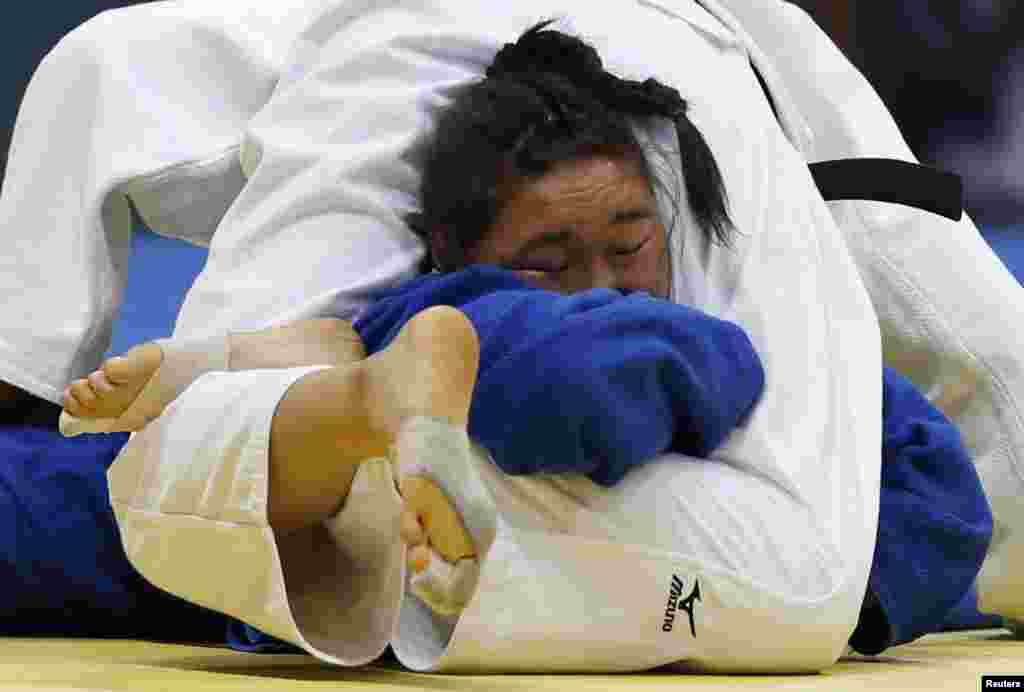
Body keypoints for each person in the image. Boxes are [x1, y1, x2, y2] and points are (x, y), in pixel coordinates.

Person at [62, 21, 990, 666]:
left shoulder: (760, 339)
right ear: (450, 254)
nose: (596, 284)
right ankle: (355, 390)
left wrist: (206, 366)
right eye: (550, 262)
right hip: (435, 395)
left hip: (369, 458)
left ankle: (349, 393)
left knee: (144, 484)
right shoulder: (600, 335)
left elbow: (939, 500)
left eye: (629, 246)